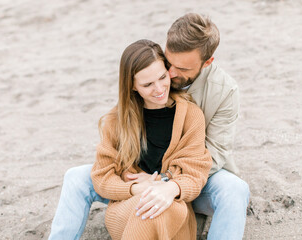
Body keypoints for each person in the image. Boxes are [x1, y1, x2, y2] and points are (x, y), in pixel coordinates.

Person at [49, 13, 250, 240]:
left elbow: (214, 154)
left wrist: (164, 181)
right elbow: (121, 138)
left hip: (194, 177)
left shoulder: (223, 92)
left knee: (235, 189)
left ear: (206, 63)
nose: (171, 74)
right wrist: (140, 184)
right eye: (168, 64)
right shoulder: (150, 71)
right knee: (76, 177)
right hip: (137, 179)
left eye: (181, 69)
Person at [91, 39, 212, 239]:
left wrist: (168, 186)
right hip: (128, 206)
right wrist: (138, 188)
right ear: (132, 86)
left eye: (162, 77)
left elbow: (195, 174)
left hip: (173, 204)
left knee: (158, 210)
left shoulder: (191, 115)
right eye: (148, 84)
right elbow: (102, 178)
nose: (159, 89)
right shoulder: (115, 121)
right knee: (147, 208)